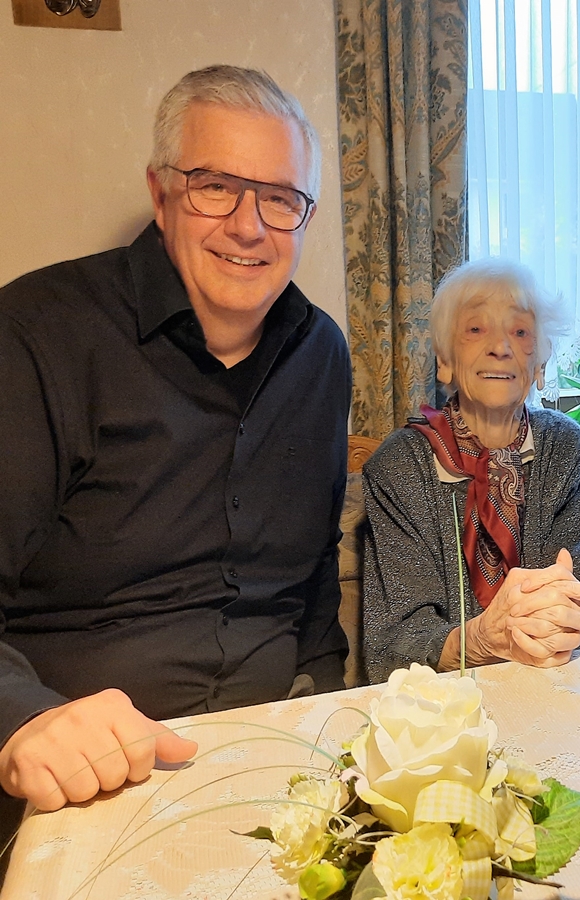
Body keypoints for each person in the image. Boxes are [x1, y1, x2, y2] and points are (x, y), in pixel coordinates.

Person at [0, 66, 350, 820]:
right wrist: (22, 716)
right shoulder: (35, 335)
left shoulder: (322, 354)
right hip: (86, 780)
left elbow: (316, 583)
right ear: (162, 195)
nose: (249, 226)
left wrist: (331, 710)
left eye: (281, 198)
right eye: (216, 186)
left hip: (280, 761)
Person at [361, 259, 580, 680]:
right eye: (476, 329)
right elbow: (393, 645)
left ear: (539, 366)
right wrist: (481, 639)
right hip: (439, 706)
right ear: (445, 361)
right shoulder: (398, 467)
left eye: (519, 331)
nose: (500, 346)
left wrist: (564, 621)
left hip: (549, 684)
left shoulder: (568, 451)